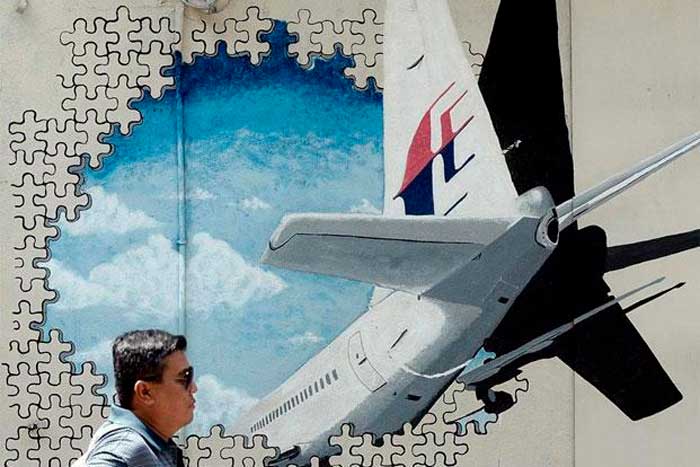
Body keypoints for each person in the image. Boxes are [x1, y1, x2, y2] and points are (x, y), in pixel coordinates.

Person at [78, 329, 198, 467]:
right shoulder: (126, 446)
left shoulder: (151, 444)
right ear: (145, 392)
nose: (194, 388)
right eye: (184, 378)